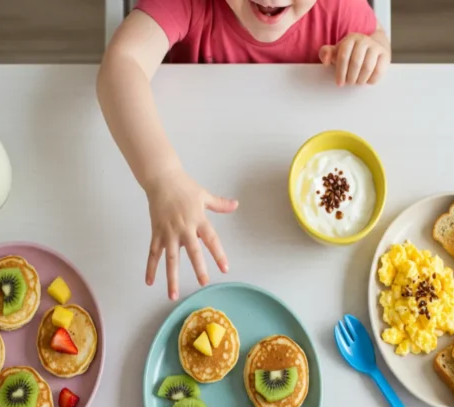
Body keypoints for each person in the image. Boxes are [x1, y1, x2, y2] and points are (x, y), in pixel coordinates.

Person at [97, 0, 391, 300]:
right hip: (201, 186)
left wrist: (370, 51)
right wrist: (163, 177)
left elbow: (377, 38)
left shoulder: (338, 6)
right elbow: (122, 63)